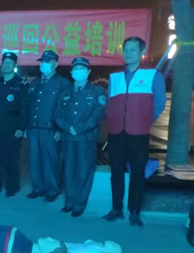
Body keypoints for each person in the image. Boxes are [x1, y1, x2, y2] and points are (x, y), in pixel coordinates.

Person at [103, 37, 166, 227]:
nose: (128, 53)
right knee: (116, 173)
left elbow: (159, 103)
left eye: (132, 50)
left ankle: (134, 212)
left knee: (137, 174)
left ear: (141, 52)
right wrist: (113, 122)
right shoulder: (115, 77)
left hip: (139, 134)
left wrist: (144, 121)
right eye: (126, 50)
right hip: (117, 134)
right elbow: (109, 104)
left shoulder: (152, 75)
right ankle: (116, 209)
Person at [55, 57, 106, 218]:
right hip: (68, 138)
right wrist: (67, 127)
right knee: (68, 171)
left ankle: (79, 204)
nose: (79, 72)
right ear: (71, 72)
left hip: (86, 139)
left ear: (88, 72)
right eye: (76, 69)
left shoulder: (97, 92)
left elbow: (96, 116)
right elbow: (57, 114)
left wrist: (79, 128)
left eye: (82, 69)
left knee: (84, 172)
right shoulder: (64, 93)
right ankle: (69, 202)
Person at [25, 50, 71, 202]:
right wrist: (26, 126)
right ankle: (38, 188)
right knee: (35, 160)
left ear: (55, 64)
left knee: (51, 160)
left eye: (47, 62)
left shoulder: (63, 83)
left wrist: (60, 128)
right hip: (34, 127)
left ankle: (52, 189)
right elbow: (29, 105)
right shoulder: (35, 83)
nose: (43, 64)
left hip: (51, 128)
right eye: (42, 62)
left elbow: (65, 108)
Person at [0, 52, 28, 198]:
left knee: (11, 159)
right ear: (1, 65)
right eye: (5, 63)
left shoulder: (21, 84)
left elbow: (25, 109)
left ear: (15, 65)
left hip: (12, 127)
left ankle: (12, 187)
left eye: (10, 63)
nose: (7, 65)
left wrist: (21, 128)